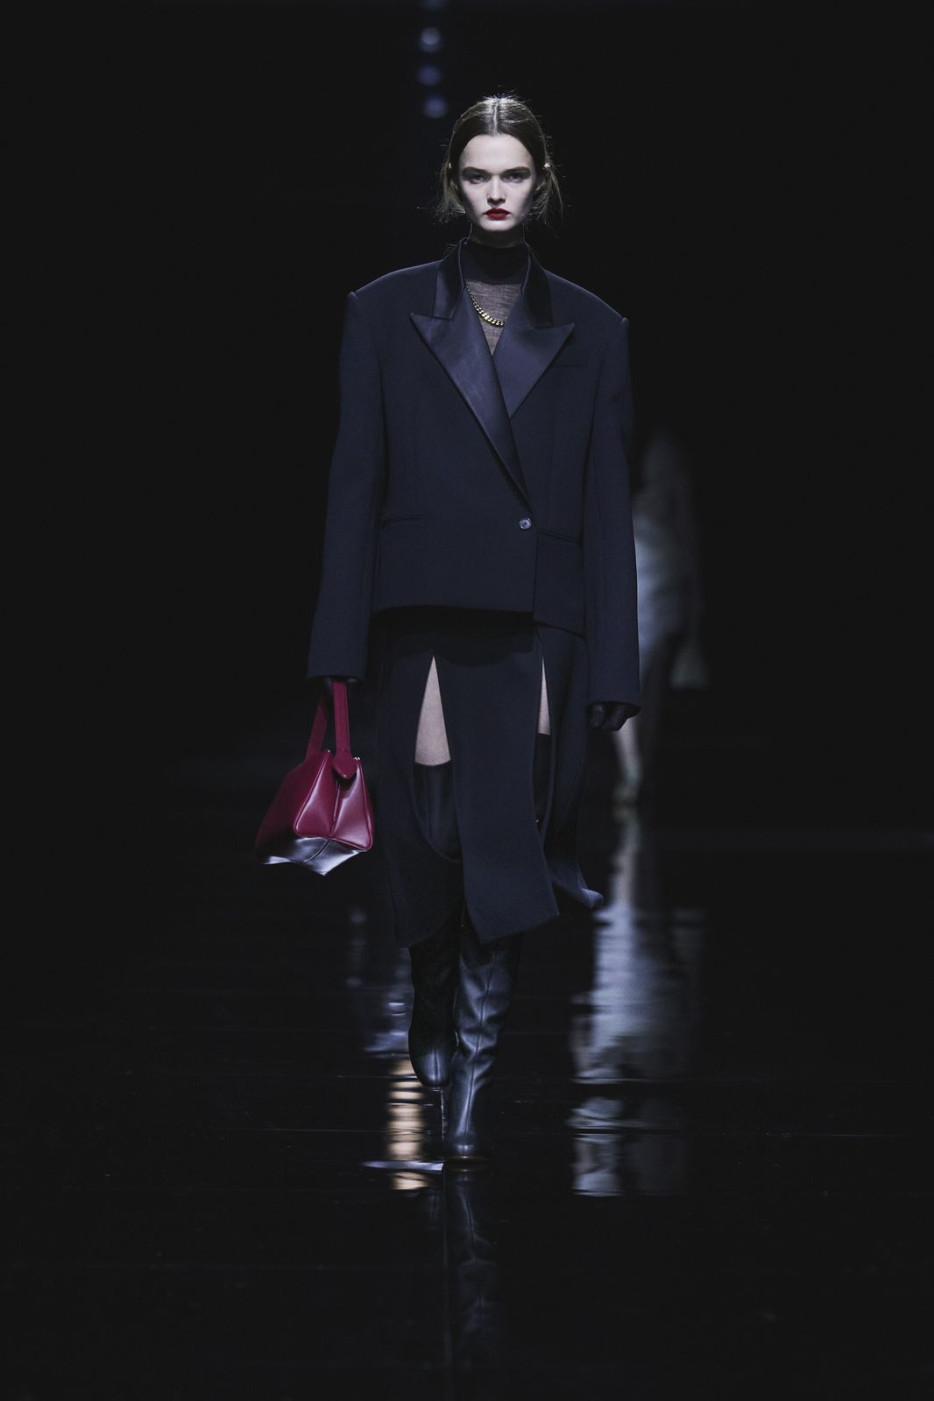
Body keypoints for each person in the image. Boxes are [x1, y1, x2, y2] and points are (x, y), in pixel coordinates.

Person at [306, 94, 640, 1163]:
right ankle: (430, 986)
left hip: (537, 621)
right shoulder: (383, 310)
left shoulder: (594, 327)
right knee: (431, 837)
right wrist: (335, 648)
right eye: (478, 174)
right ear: (453, 185)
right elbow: (354, 480)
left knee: (507, 844)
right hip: (424, 614)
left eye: (515, 174)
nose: (497, 192)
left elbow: (605, 502)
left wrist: (616, 658)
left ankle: (473, 1077)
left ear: (543, 183)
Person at [613, 420, 708, 808]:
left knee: (625, 675)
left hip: (627, 561)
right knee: (646, 680)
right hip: (654, 564)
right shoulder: (665, 448)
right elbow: (684, 523)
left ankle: (633, 769)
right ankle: (639, 769)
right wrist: (695, 592)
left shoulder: (612, 437)